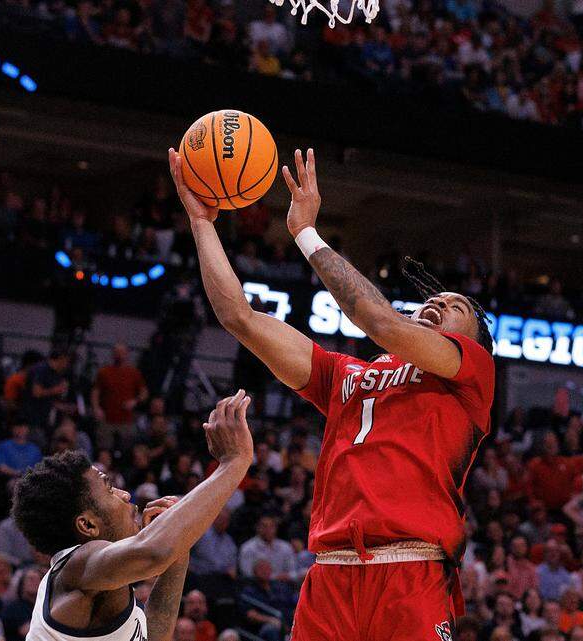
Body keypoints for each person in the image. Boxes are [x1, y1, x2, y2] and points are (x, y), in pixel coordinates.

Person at [169, 145, 496, 639]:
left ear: (472, 340)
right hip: (330, 573)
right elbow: (239, 316)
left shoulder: (470, 372)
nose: (437, 303)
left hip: (409, 569)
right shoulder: (344, 377)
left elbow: (376, 319)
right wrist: (202, 223)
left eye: (455, 307)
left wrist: (303, 232)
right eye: (432, 299)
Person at [10, 390, 254, 641]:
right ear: (87, 524)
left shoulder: (98, 583)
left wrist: (179, 550)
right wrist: (234, 462)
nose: (125, 495)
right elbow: (153, 553)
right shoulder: (76, 566)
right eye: (108, 488)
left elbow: (154, 635)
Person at [91, 343, 148, 452]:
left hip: (126, 420)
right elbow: (95, 391)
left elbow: (144, 392)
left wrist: (135, 402)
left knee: (127, 450)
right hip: (107, 419)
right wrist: (96, 408)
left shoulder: (134, 373)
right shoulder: (104, 372)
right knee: (104, 449)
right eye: (117, 352)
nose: (119, 355)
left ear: (127, 354)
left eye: (122, 352)